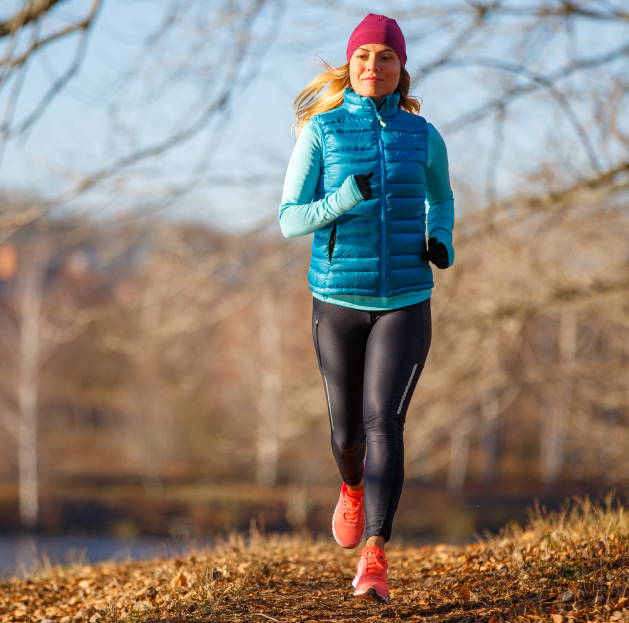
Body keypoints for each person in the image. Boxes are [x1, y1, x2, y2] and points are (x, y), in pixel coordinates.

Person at [279, 13, 454, 604]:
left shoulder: (422, 134)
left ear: (401, 68)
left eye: (385, 57)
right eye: (362, 57)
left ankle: (375, 557)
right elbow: (289, 219)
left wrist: (443, 237)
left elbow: (443, 196)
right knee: (347, 432)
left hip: (406, 299)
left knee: (386, 422)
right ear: (348, 64)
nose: (373, 67)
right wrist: (345, 197)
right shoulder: (322, 132)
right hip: (338, 301)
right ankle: (351, 486)